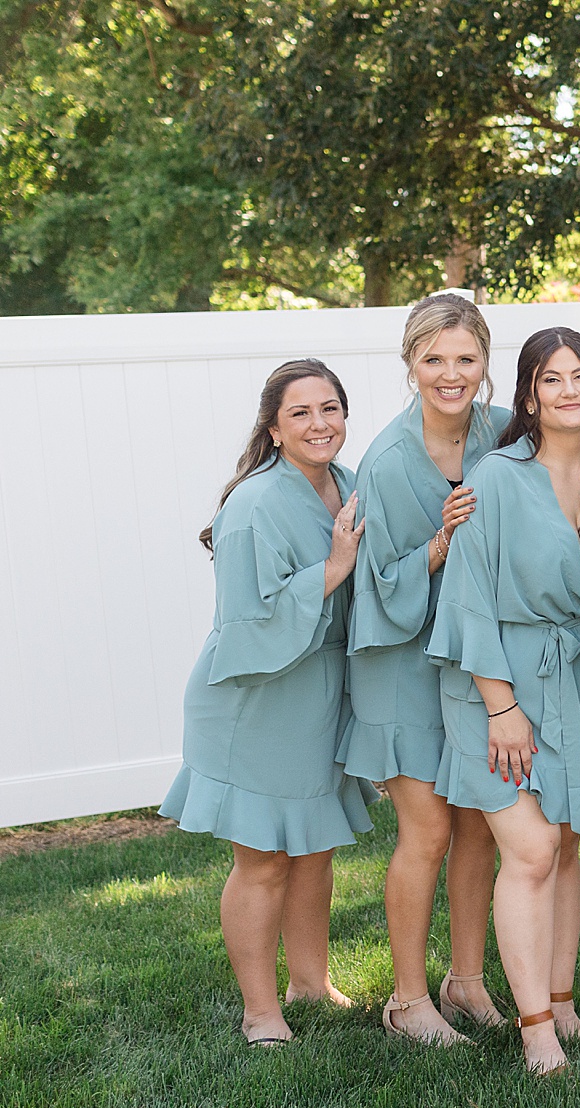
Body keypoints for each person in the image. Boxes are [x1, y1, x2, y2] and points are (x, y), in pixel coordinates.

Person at [161, 359, 377, 1046]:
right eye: (301, 414)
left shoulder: (348, 486)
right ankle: (260, 1011)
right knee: (264, 861)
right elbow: (249, 629)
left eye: (331, 409)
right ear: (274, 429)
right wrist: (333, 569)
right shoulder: (253, 507)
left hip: (315, 700)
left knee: (313, 849)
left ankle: (310, 983)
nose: (320, 424)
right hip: (255, 705)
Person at [427, 327, 580, 1076]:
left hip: (572, 679)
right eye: (551, 378)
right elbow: (469, 597)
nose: (568, 389)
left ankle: (564, 1004)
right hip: (494, 678)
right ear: (529, 395)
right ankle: (534, 1027)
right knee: (533, 849)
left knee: (566, 840)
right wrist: (502, 705)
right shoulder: (497, 478)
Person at [341, 294, 506, 1045]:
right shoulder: (386, 462)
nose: (450, 374)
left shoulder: (503, 436)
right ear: (410, 364)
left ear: (484, 363)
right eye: (434, 359)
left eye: (465, 359)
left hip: (473, 659)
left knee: (478, 821)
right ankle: (407, 1001)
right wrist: (439, 543)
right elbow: (375, 589)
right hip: (402, 664)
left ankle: (465, 981)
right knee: (428, 829)